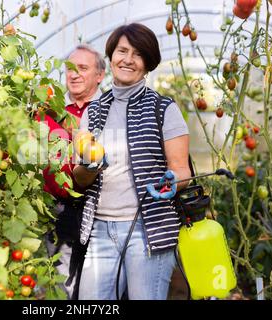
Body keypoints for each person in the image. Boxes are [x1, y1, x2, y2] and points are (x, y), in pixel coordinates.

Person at [73, 23, 192, 300]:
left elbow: (181, 169)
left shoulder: (163, 108)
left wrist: (172, 182)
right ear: (111, 57)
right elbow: (79, 179)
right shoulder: (94, 111)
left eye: (137, 54)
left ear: (147, 64)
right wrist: (91, 166)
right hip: (100, 230)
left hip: (148, 229)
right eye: (122, 51)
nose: (128, 59)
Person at [36, 44, 106, 299]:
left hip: (96, 208)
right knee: (52, 277)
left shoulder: (108, 111)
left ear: (100, 75)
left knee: (88, 280)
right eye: (69, 69)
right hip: (53, 208)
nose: (74, 74)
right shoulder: (50, 111)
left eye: (83, 69)